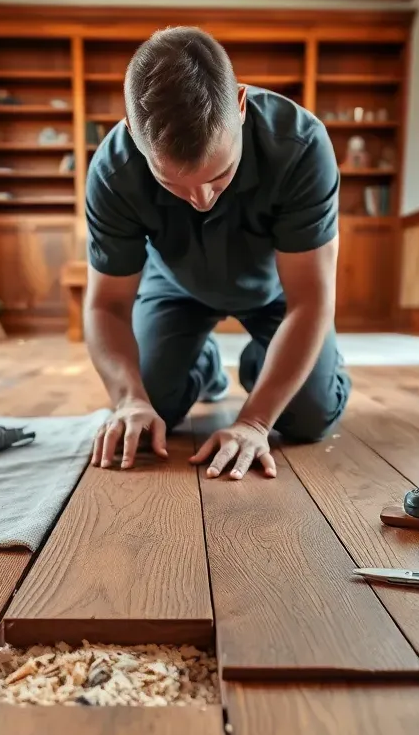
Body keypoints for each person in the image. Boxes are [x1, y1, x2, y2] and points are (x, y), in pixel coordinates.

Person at [84, 25, 351, 481]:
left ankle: (260, 362)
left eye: (220, 173)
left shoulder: (302, 144)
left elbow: (311, 300)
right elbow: (105, 305)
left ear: (242, 105)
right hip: (174, 287)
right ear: (133, 133)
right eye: (173, 184)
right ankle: (202, 363)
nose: (203, 199)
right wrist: (130, 398)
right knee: (152, 409)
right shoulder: (113, 171)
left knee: (308, 419)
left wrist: (254, 421)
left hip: (279, 295)